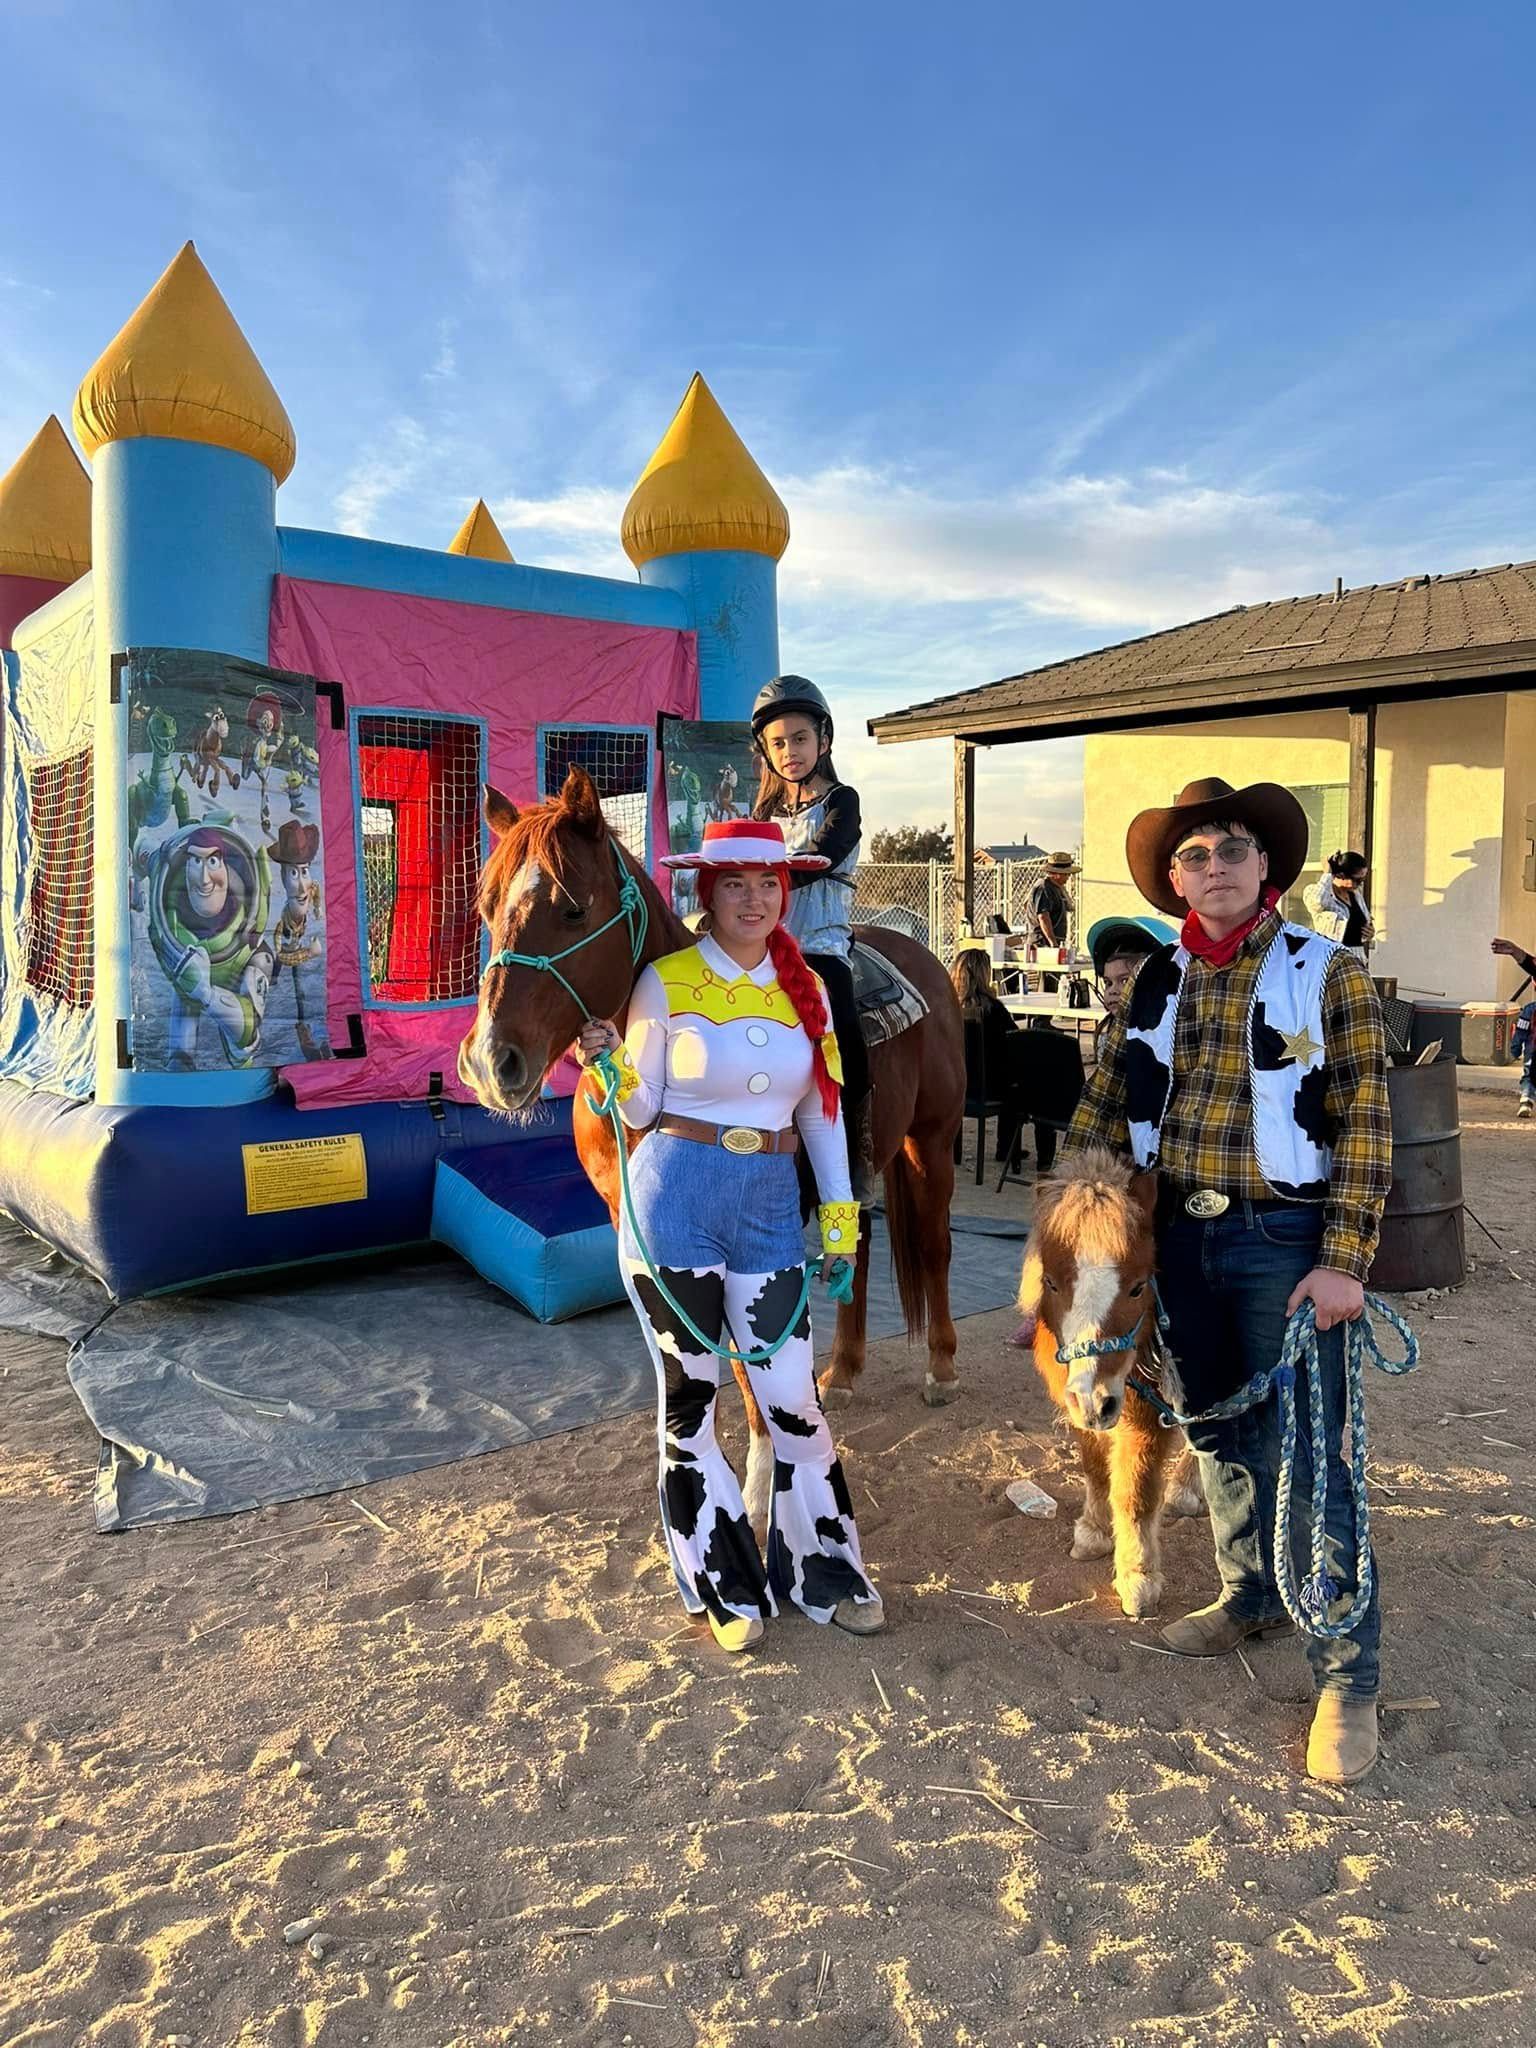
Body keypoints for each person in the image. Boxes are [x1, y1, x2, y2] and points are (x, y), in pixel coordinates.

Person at [1064, 777, 1391, 1785]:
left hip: (1283, 1234)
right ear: (1173, 877)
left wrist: (1343, 1259)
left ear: (1269, 870)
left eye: (1233, 849)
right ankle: (1250, 1595)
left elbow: (1369, 1116)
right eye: (1196, 853)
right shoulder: (1154, 980)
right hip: (1183, 1235)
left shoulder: (1326, 972)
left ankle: (1348, 1672)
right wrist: (1075, 1229)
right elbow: (1106, 1103)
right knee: (1213, 1425)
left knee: (1313, 1448)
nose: (1215, 865)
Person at [575, 817, 882, 1654]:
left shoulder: (808, 988)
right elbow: (639, 1111)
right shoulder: (665, 982)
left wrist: (843, 1224)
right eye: (735, 885)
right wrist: (608, 1065)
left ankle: (825, 1570)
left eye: (769, 884)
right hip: (673, 1201)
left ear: (787, 892)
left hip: (770, 1212)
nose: (754, 899)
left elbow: (823, 1114)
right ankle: (722, 1582)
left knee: (796, 1403)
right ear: (706, 894)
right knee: (692, 1403)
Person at [749, 676, 874, 1202]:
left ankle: (857, 1135)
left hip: (820, 945)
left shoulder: (843, 801)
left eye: (799, 738)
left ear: (823, 740)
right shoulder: (762, 816)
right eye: (778, 743)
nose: (790, 751)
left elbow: (824, 852)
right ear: (765, 751)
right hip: (761, 948)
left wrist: (762, 874)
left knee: (841, 1028)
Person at [1491, 935, 1536, 1118]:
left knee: (1529, 1072)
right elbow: (1531, 964)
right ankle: (1526, 1099)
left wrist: (1515, 1049)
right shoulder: (1531, 1010)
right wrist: (1516, 952)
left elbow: (1520, 1032)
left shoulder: (1530, 1009)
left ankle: (1526, 1099)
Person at [1304, 851, 1375, 960]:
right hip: (1331, 958)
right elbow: (1317, 902)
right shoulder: (1318, 892)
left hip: (1356, 958)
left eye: (1363, 879)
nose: (1360, 884)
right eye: (1357, 880)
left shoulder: (1356, 896)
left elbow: (1363, 927)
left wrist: (1369, 933)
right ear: (1341, 875)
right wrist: (1328, 874)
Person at [1028, 852, 1078, 991]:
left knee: (1055, 983)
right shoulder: (1044, 888)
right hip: (1043, 943)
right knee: (1047, 984)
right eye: (1066, 874)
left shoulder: (1057, 889)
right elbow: (1043, 917)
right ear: (1056, 874)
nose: (1068, 877)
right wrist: (1053, 943)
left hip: (1053, 943)